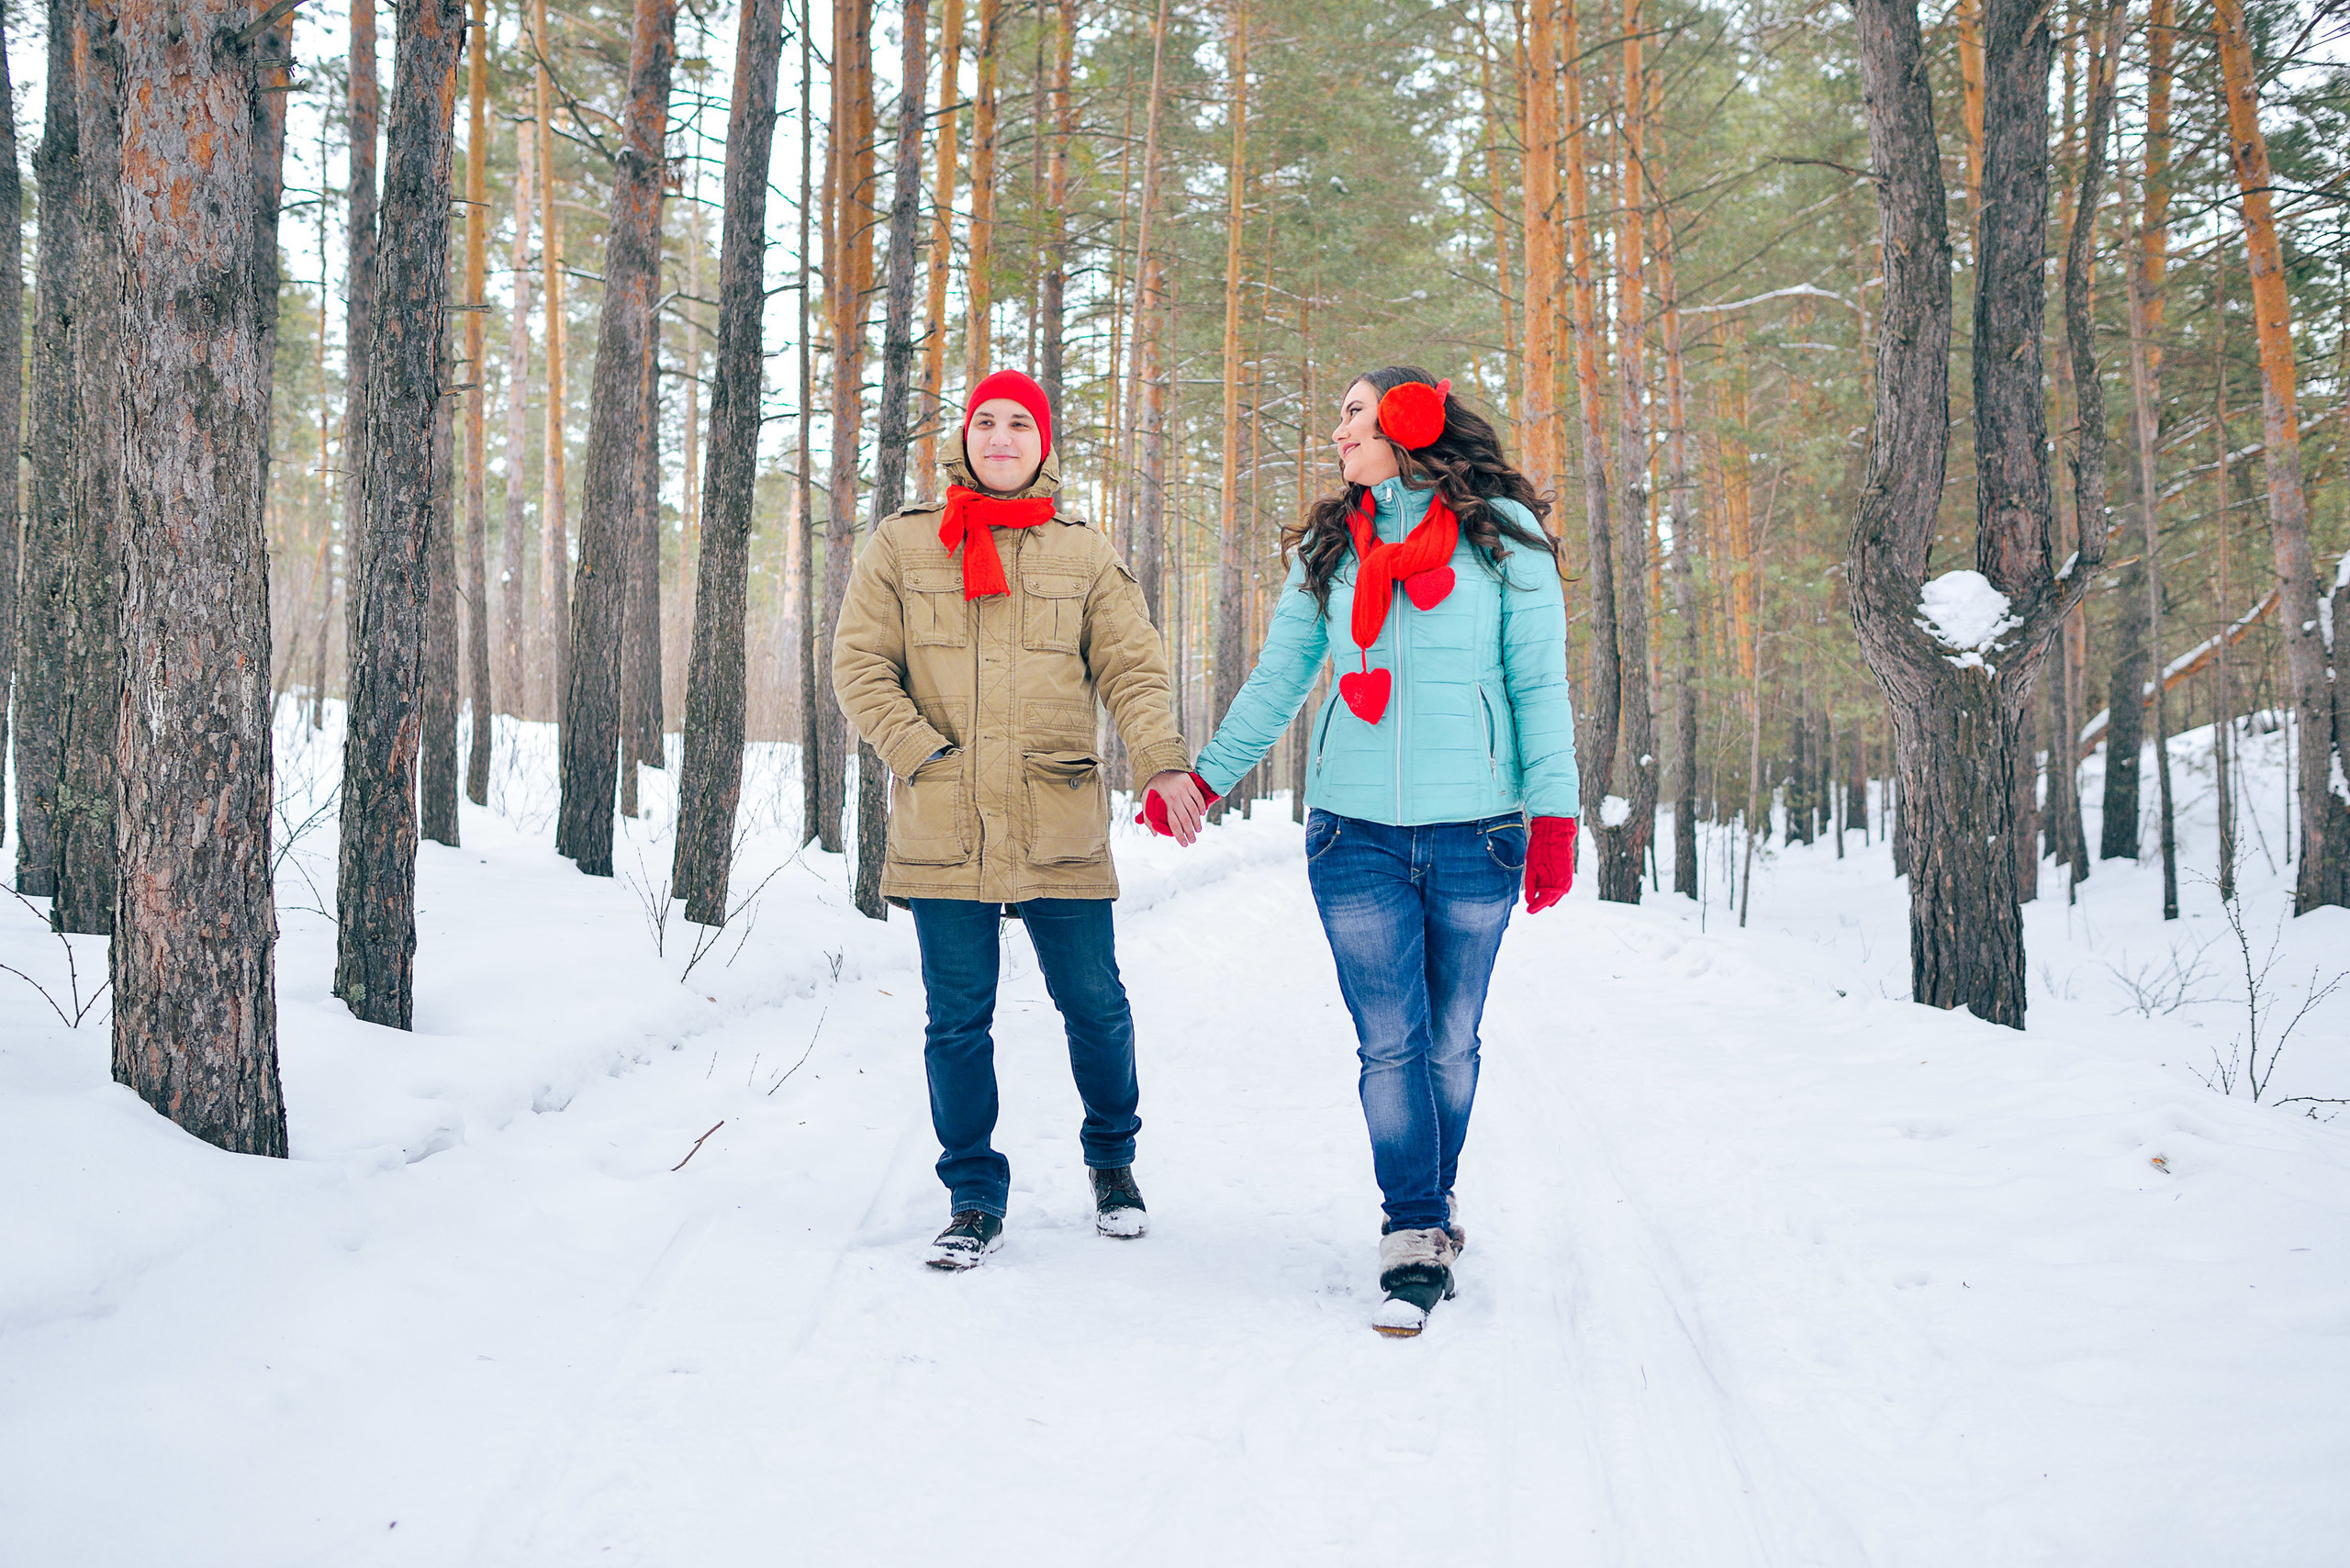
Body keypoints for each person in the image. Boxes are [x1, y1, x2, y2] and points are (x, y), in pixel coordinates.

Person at [1142, 367, 1577, 1336]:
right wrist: (1207, 778)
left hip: (1480, 830)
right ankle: (1414, 1227)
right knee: (1391, 1042)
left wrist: (1553, 817)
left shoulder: (1503, 537)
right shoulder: (1333, 542)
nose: (1334, 429)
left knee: (1451, 1043)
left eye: (1350, 411)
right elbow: (1282, 674)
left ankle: (1431, 1194)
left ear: (1406, 421)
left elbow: (1538, 684)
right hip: (1353, 831)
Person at [834, 369, 1206, 1271]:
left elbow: (1133, 668)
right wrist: (924, 755)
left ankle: (1112, 1161)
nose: (1001, 437)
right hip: (944, 825)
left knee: (1096, 1005)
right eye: (986, 422)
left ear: (1042, 445)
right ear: (964, 438)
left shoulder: (1082, 552)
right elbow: (860, 666)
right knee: (956, 1020)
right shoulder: (904, 543)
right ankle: (972, 1194)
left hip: (1057, 820)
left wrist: (1162, 761)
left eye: (1019, 424)